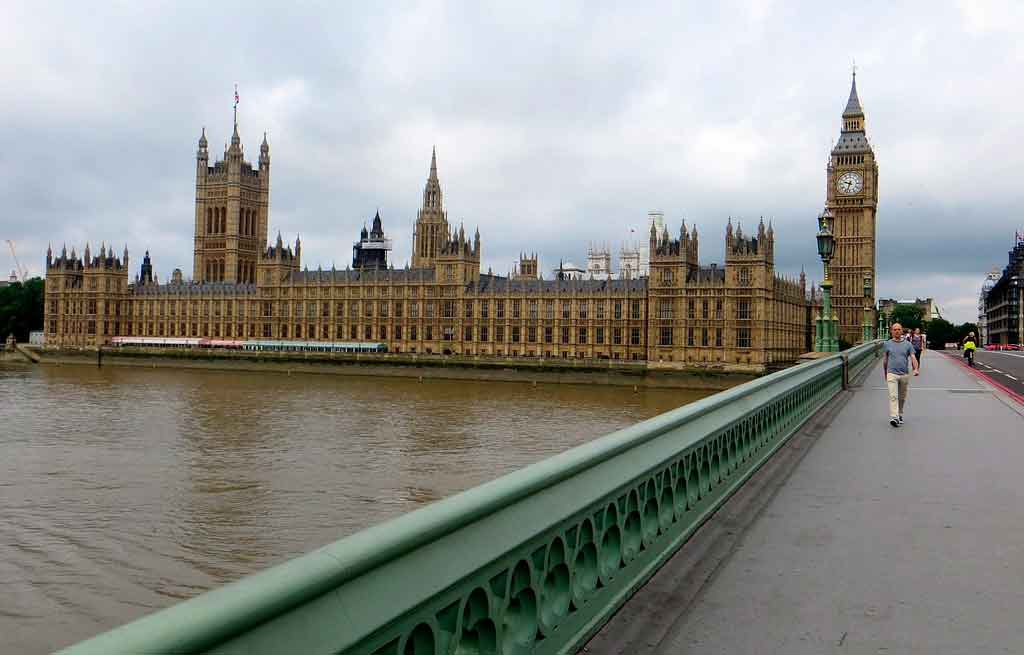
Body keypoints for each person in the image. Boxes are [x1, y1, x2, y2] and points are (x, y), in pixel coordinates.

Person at [882, 322, 919, 428]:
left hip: (904, 374)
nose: (897, 331)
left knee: (902, 397)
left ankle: (900, 413)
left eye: (899, 329)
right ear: (891, 331)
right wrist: (885, 372)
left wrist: (916, 369)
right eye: (895, 329)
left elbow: (913, 357)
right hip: (891, 373)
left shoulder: (908, 344)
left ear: (902, 331)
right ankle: (894, 417)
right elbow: (885, 359)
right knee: (893, 396)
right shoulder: (887, 344)